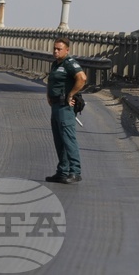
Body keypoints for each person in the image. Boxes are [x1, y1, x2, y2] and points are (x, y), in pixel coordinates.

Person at [45, 37, 87, 184]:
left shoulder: (70, 63)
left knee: (69, 140)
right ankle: (62, 171)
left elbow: (82, 78)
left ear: (67, 50)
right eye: (54, 49)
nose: (56, 51)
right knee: (59, 140)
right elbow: (52, 81)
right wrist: (49, 96)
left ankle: (75, 171)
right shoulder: (55, 64)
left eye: (59, 49)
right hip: (55, 106)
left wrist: (71, 94)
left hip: (65, 107)